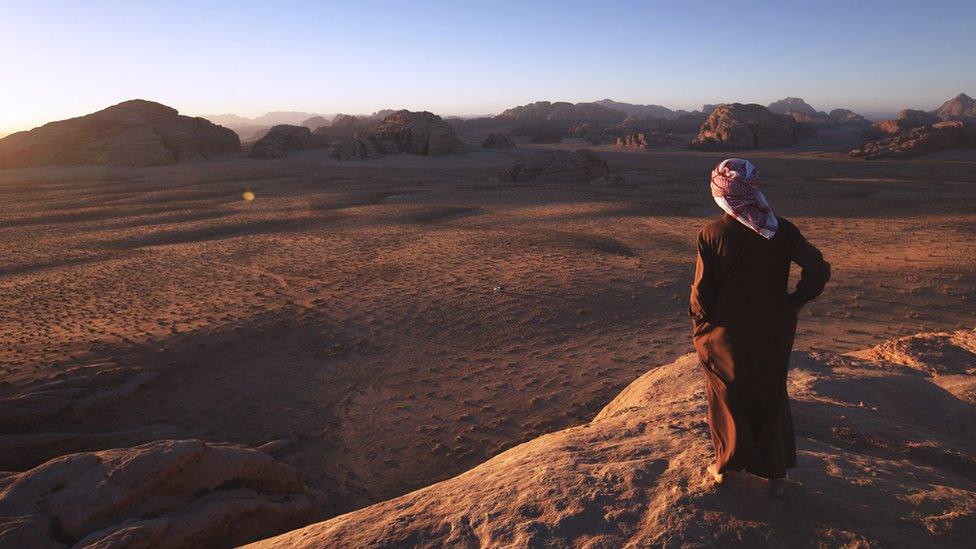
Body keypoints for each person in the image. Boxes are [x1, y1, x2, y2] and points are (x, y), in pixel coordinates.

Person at [689, 158, 830, 497]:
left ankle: (727, 467)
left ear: (722, 195)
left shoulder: (712, 233)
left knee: (726, 394)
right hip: (773, 328)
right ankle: (776, 475)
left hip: (725, 332)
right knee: (770, 392)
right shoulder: (781, 230)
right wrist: (794, 302)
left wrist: (701, 323)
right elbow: (819, 269)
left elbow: (701, 292)